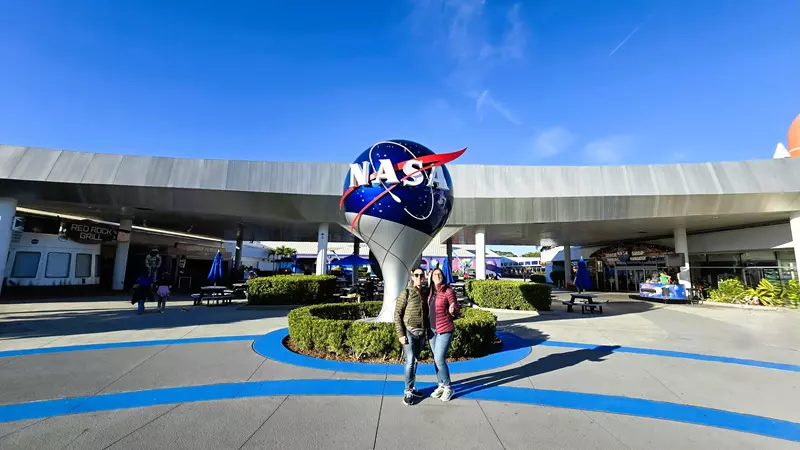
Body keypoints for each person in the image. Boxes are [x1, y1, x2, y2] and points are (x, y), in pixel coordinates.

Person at [394, 267, 429, 406]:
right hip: (409, 332)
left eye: (421, 275)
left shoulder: (425, 293)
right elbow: (397, 314)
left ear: (424, 277)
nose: (419, 277)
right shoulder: (406, 292)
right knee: (410, 361)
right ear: (412, 277)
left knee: (415, 360)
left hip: (421, 333)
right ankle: (407, 390)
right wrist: (400, 334)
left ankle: (412, 387)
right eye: (416, 275)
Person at [428, 267, 460, 402]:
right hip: (432, 330)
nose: (437, 276)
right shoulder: (430, 292)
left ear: (443, 276)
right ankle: (440, 384)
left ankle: (448, 387)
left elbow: (456, 308)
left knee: (439, 359)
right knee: (436, 360)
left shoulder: (448, 291)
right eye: (435, 274)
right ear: (431, 277)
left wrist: (453, 309)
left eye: (439, 274)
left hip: (444, 329)